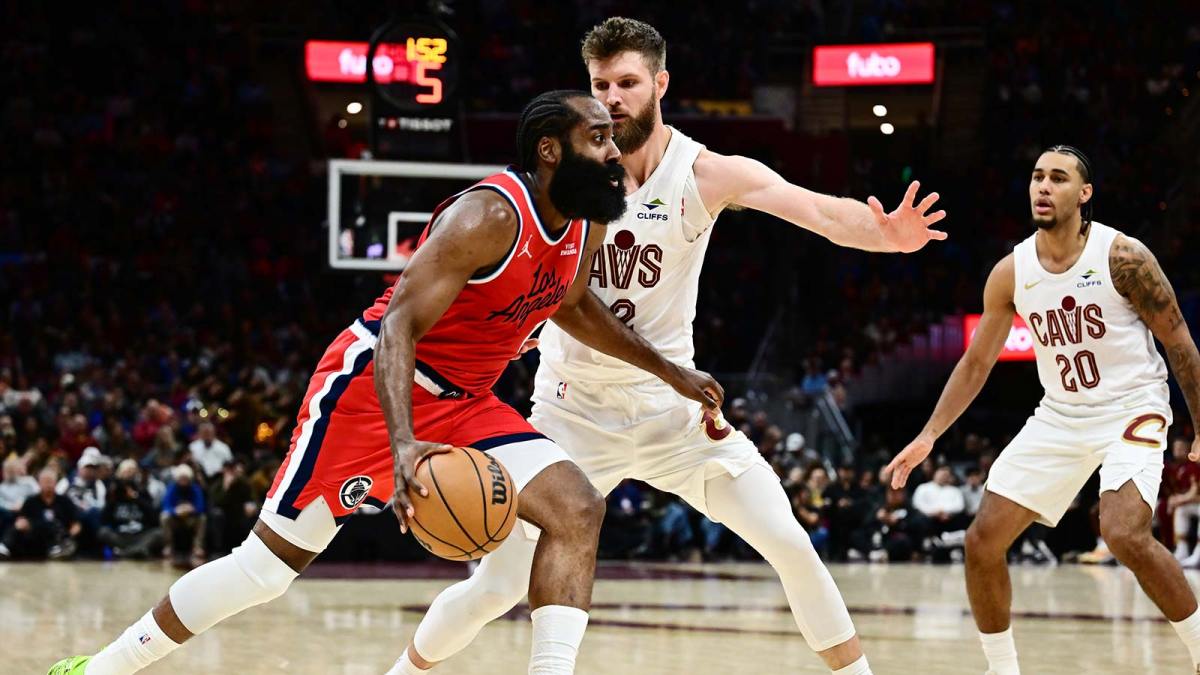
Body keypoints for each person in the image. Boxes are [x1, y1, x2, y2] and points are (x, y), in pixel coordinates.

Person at [49, 90, 722, 675]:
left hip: (466, 402)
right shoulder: (488, 216)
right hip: (371, 391)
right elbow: (399, 325)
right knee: (264, 570)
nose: (614, 149)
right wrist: (402, 442)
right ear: (550, 149)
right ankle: (104, 666)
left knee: (577, 507)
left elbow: (574, 306)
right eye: (597, 136)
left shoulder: (586, 218)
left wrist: (674, 373)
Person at [394, 18, 947, 675]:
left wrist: (884, 235)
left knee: (791, 544)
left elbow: (818, 210)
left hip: (676, 416)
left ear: (660, 84)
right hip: (574, 413)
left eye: (627, 82)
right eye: (601, 85)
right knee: (496, 585)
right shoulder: (565, 177)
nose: (613, 98)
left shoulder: (703, 173)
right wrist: (519, 324)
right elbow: (519, 267)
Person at [886, 146, 1200, 674]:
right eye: (1037, 177)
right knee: (982, 541)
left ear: (1084, 193)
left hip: (1131, 407)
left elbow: (1180, 342)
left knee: (1123, 533)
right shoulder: (1011, 272)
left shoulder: (1123, 256)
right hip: (1060, 414)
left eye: (1058, 177)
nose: (1044, 187)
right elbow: (976, 362)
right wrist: (929, 434)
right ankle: (1002, 670)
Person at [2, 468, 81, 560]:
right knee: (15, 527)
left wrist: (69, 535)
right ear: (39, 483)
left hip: (58, 536)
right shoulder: (30, 501)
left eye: (50, 481)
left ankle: (59, 549)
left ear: (56, 483)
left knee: (56, 527)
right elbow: (22, 520)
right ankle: (4, 547)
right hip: (35, 536)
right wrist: (22, 524)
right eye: (45, 481)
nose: (48, 484)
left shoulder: (65, 501)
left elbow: (76, 524)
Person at [159, 464, 206, 565]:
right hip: (176, 519)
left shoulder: (195, 489)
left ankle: (197, 547)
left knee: (202, 518)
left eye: (186, 479)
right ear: (177, 479)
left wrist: (191, 509)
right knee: (164, 517)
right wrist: (175, 511)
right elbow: (166, 506)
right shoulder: (172, 488)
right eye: (181, 479)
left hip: (190, 519)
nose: (184, 481)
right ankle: (168, 546)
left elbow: (201, 507)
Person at [1165, 437, 1200, 566]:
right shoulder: (1191, 468)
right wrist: (1179, 500)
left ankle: (1198, 553)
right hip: (1196, 504)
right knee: (1181, 510)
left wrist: (1180, 499)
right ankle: (1182, 550)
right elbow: (1194, 493)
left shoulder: (1193, 467)